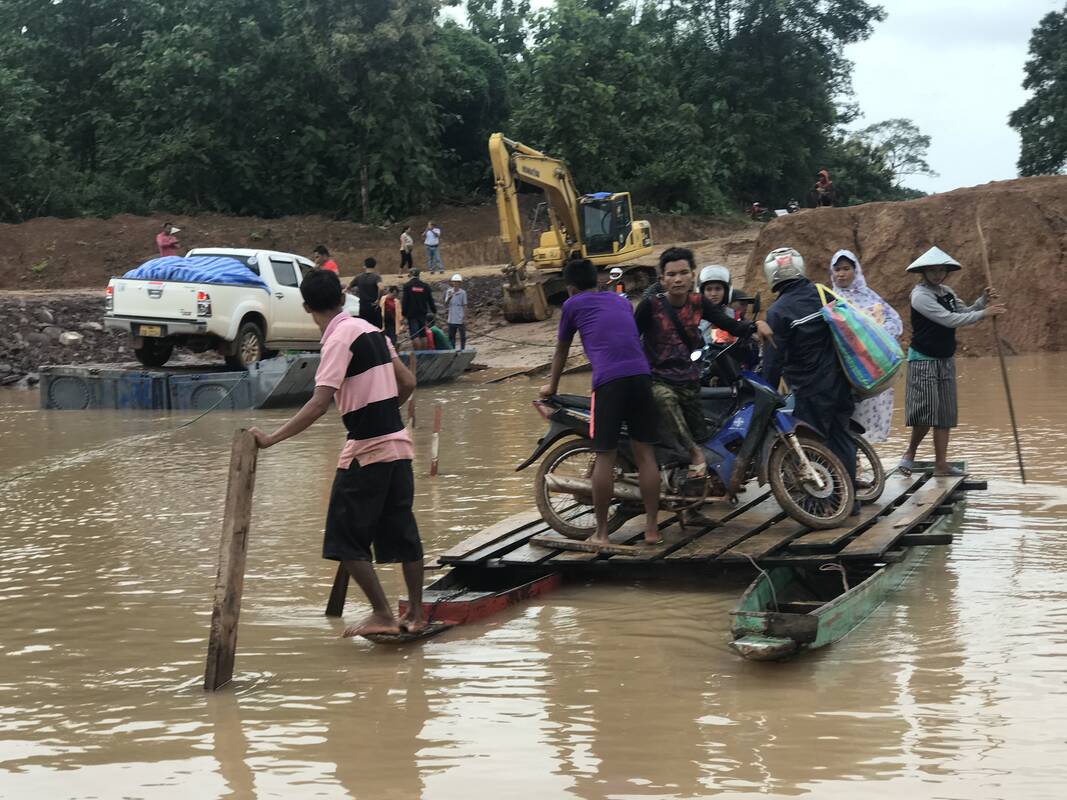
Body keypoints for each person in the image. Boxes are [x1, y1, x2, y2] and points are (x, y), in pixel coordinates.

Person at [247, 269, 424, 637]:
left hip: (367, 450)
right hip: (399, 444)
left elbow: (318, 404)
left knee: (343, 539)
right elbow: (407, 382)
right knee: (403, 532)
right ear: (343, 299)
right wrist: (384, 409)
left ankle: (383, 614)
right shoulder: (371, 330)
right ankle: (417, 614)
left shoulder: (337, 339)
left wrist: (271, 439)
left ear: (306, 307)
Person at [540, 258, 662, 545]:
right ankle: (652, 530)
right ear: (597, 282)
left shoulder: (572, 305)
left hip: (609, 382)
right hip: (641, 376)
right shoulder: (621, 301)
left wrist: (551, 386)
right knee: (646, 455)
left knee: (605, 455)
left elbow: (561, 351)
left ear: (570, 288)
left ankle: (602, 533)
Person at [634, 247, 768, 479]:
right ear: (662, 279)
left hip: (689, 379)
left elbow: (730, 324)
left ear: (692, 276)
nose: (678, 279)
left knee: (703, 434)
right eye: (671, 274)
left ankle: (695, 484)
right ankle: (694, 454)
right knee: (665, 400)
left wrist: (756, 326)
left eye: (683, 273)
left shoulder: (698, 303)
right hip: (657, 378)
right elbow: (630, 339)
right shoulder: (650, 306)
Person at [760, 246, 857, 511]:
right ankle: (851, 503)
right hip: (841, 380)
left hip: (810, 388)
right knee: (842, 437)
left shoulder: (778, 312)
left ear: (772, 276)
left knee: (815, 445)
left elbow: (773, 360)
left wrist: (766, 391)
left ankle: (827, 504)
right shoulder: (822, 292)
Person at [898, 246, 1005, 477]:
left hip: (945, 359)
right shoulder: (920, 296)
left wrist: (983, 301)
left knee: (945, 415)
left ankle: (941, 465)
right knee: (925, 414)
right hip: (923, 361)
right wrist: (984, 313)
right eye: (932, 270)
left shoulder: (946, 292)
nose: (937, 275)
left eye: (941, 270)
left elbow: (964, 312)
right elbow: (949, 320)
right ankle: (910, 453)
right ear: (924, 272)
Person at [829, 249, 903, 442]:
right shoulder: (830, 300)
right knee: (849, 416)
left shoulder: (870, 296)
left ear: (856, 271)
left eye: (846, 269)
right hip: (848, 369)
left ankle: (863, 451)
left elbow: (893, 320)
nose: (841, 274)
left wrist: (876, 334)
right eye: (837, 269)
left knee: (869, 412)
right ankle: (852, 454)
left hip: (873, 367)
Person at [401, 269, 436, 340]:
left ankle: (417, 347)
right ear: (419, 275)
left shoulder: (407, 286)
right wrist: (434, 310)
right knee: (423, 335)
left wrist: (404, 313)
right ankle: (424, 348)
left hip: (412, 315)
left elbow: (405, 301)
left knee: (415, 336)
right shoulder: (425, 286)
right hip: (422, 314)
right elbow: (430, 300)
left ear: (410, 275)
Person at [350, 257, 383, 328]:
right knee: (376, 328)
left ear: (364, 266)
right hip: (373, 306)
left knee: (365, 328)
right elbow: (381, 288)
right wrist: (378, 299)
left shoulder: (358, 277)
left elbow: (348, 287)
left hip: (363, 307)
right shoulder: (376, 277)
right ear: (375, 266)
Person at [444, 273, 468, 350]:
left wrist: (464, 317)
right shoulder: (449, 291)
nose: (455, 283)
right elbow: (446, 303)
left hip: (460, 317)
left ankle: (462, 349)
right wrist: (449, 297)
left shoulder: (463, 293)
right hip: (451, 318)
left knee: (462, 336)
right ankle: (452, 350)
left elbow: (465, 305)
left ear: (460, 283)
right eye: (454, 282)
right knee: (451, 336)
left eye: (457, 282)